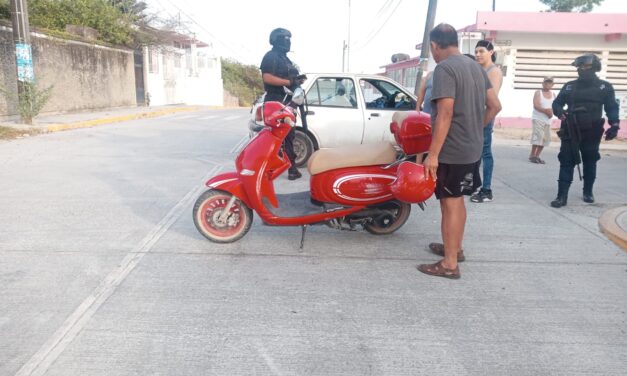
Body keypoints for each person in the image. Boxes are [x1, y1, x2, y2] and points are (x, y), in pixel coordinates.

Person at [417, 24, 501, 279]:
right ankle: (455, 248)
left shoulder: (445, 69)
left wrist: (432, 154)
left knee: (450, 203)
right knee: (455, 201)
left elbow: (445, 113)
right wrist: (476, 128)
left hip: (451, 150)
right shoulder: (475, 67)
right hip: (471, 148)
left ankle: (450, 264)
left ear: (434, 45)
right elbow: (495, 105)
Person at [550, 54, 620, 208]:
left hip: (592, 130)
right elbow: (557, 103)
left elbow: (611, 107)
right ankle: (561, 196)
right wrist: (560, 111)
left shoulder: (604, 87)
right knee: (566, 161)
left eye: (585, 66)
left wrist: (614, 125)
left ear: (594, 67)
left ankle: (588, 191)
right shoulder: (570, 86)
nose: (581, 69)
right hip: (571, 129)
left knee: (590, 161)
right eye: (579, 67)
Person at [260, 27, 304, 180]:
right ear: (276, 39)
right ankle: (267, 170)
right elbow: (267, 78)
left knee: (288, 137)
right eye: (285, 38)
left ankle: (291, 169)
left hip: (287, 102)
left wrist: (297, 81)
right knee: (276, 138)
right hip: (276, 101)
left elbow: (290, 78)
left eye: (289, 38)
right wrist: (289, 81)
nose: (288, 41)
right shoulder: (271, 56)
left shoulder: (285, 59)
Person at [470, 40, 503, 203]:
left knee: (485, 152)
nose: (477, 54)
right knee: (475, 152)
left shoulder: (493, 71)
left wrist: (483, 122)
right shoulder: (478, 69)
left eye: (481, 51)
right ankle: (474, 184)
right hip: (473, 117)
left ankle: (487, 190)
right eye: (476, 51)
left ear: (491, 52)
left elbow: (491, 100)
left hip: (484, 117)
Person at [529, 76, 556, 164]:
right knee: (538, 136)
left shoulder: (553, 94)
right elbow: (536, 105)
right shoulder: (538, 93)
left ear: (552, 85)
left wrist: (551, 113)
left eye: (549, 83)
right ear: (542, 83)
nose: (547, 84)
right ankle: (532, 155)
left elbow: (555, 106)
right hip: (538, 118)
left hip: (547, 120)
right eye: (546, 82)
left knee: (545, 138)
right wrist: (546, 111)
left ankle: (537, 155)